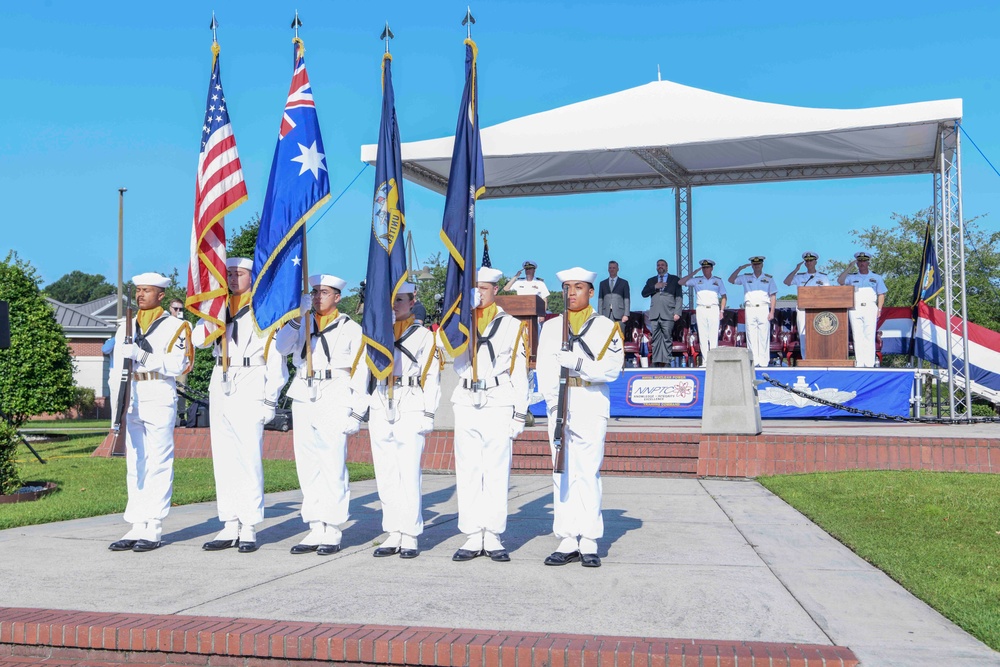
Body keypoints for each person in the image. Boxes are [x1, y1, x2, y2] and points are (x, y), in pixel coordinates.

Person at [192, 257, 288, 554]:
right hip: (221, 377)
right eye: (229, 273)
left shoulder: (263, 311)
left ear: (252, 277)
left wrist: (270, 398)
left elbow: (276, 359)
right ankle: (230, 522)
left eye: (240, 273)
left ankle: (248, 525)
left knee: (247, 457)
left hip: (251, 378)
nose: (234, 278)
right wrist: (213, 313)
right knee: (224, 457)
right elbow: (199, 341)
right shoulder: (218, 309)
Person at [536, 267, 624, 568]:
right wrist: (552, 404)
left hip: (589, 399)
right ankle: (566, 537)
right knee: (561, 471)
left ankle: (588, 539)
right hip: (560, 403)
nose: (571, 293)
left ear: (590, 292)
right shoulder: (550, 327)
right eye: (567, 288)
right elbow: (544, 368)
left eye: (578, 287)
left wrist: (579, 363)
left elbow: (612, 369)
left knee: (587, 470)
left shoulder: (605, 327)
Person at [350, 283, 441, 559]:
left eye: (400, 300)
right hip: (380, 398)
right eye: (391, 300)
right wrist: (357, 409)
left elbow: (432, 375)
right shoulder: (377, 334)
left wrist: (429, 412)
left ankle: (410, 533)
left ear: (413, 301)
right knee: (386, 470)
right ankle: (392, 530)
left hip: (410, 398)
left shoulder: (424, 336)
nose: (395, 305)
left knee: (408, 471)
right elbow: (361, 373)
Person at [274, 274, 363, 555]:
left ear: (337, 297)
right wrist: (298, 319)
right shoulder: (303, 322)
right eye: (314, 292)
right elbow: (281, 346)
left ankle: (333, 528)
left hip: (335, 391)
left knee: (332, 462)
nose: (316, 297)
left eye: (323, 292)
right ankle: (315, 526)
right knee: (308, 462)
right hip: (304, 391)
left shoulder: (351, 328)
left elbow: (361, 371)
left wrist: (357, 411)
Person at [449, 266, 529, 563]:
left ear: (496, 290)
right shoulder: (459, 323)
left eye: (484, 288)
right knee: (468, 469)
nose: (479, 292)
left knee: (495, 469)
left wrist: (520, 412)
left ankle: (493, 534)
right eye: (475, 288)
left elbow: (519, 371)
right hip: (467, 397)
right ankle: (472, 533)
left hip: (497, 398)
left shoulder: (511, 324)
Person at [108, 272, 192, 553]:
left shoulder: (177, 326)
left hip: (157, 392)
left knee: (158, 459)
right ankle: (136, 522)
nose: (141, 294)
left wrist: (142, 356)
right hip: (132, 395)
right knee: (136, 460)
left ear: (161, 295)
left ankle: (154, 524)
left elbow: (178, 365)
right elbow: (117, 366)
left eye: (147, 290)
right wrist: (115, 408)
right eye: (138, 290)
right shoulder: (127, 326)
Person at [838, 251, 887, 368]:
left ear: (868, 262)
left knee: (869, 336)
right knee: (857, 335)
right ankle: (860, 363)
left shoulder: (876, 277)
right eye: (859, 261)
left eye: (864, 261)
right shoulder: (852, 277)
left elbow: (881, 294)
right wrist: (849, 267)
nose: (862, 263)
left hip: (870, 307)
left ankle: (869, 364)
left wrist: (879, 309)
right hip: (855, 307)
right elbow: (840, 281)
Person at [728, 256, 777, 367]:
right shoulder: (746, 277)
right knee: (751, 335)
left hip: (763, 307)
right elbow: (731, 280)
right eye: (754, 264)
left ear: (762, 265)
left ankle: (764, 362)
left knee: (764, 336)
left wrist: (772, 311)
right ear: (752, 266)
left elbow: (773, 295)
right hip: (750, 308)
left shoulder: (769, 278)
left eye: (758, 264)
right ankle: (753, 362)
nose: (756, 266)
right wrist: (740, 268)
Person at [783, 251, 833, 359]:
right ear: (805, 263)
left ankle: (818, 358)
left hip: (817, 310)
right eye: (807, 261)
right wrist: (796, 270)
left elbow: (828, 293)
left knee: (818, 335)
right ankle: (806, 359)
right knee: (803, 335)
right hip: (803, 310)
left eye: (811, 260)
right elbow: (786, 282)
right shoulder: (800, 277)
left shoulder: (823, 277)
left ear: (816, 262)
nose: (809, 262)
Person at [679, 259, 726, 364]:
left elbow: (724, 296)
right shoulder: (697, 280)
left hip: (713, 308)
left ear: (712, 268)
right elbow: (681, 282)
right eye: (703, 268)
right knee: (703, 336)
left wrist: (722, 310)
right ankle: (705, 361)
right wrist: (694, 273)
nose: (705, 269)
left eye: (707, 267)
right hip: (701, 308)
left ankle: (714, 361)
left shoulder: (717, 281)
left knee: (713, 336)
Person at [640, 259, 683, 367]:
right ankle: (656, 361)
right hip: (655, 313)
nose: (660, 267)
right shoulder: (651, 281)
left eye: (662, 265)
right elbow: (644, 293)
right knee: (655, 338)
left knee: (667, 337)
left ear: (667, 267)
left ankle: (666, 361)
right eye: (658, 265)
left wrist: (677, 312)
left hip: (669, 312)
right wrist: (655, 287)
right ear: (656, 267)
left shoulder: (674, 279)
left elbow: (679, 297)